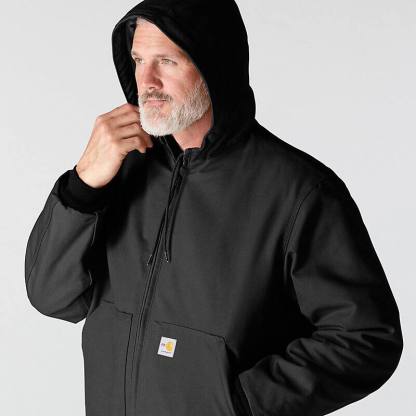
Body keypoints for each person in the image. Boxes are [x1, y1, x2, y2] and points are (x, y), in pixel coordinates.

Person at [24, 0, 403, 415]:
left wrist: (242, 401)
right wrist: (83, 186)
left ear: (215, 65)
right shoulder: (121, 167)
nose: (146, 80)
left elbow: (366, 338)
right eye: (138, 60)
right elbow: (52, 297)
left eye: (166, 60)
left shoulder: (299, 191)